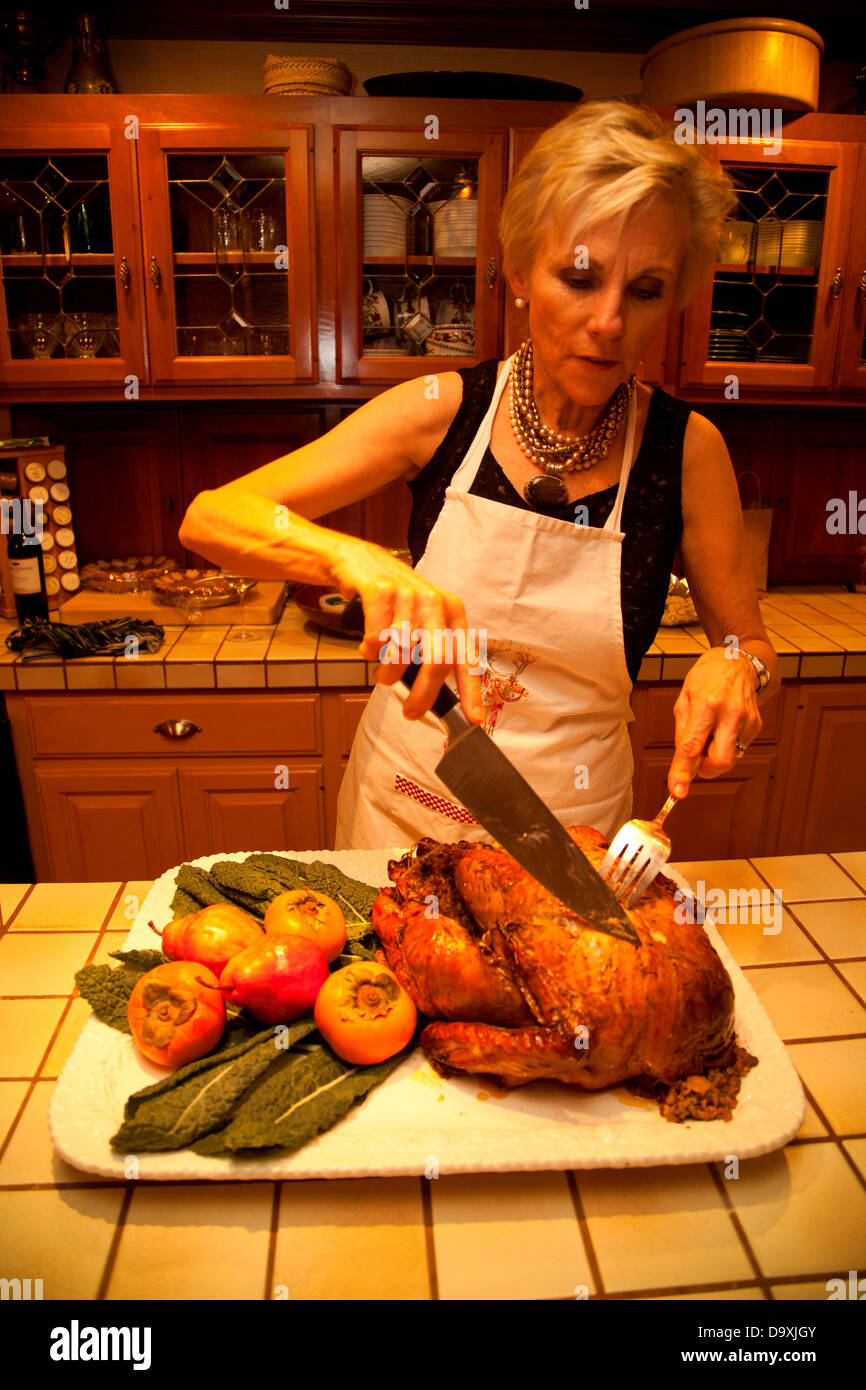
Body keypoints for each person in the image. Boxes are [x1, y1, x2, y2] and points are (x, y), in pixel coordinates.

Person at [179, 100, 780, 852]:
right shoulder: (438, 411)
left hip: (573, 834)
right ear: (522, 272)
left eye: (647, 289)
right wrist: (347, 556)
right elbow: (211, 517)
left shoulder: (689, 451)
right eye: (579, 277)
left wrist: (737, 670)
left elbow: (750, 644)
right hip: (404, 812)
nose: (610, 322)